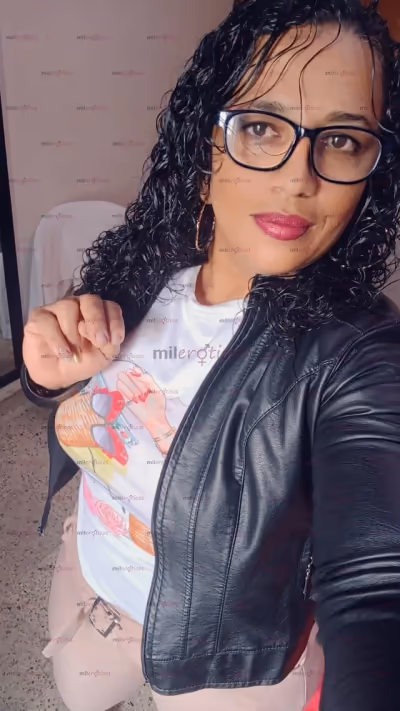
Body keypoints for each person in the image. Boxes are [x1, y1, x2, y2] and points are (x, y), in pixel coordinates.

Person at [20, 0, 400, 709]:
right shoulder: (145, 263)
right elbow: (80, 392)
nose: (298, 177)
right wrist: (45, 380)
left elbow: (376, 588)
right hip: (91, 584)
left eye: (342, 140)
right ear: (206, 150)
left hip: (227, 664)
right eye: (260, 127)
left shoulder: (360, 354)